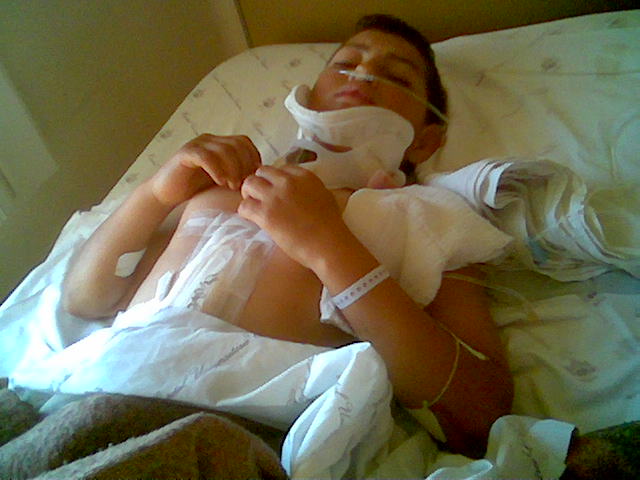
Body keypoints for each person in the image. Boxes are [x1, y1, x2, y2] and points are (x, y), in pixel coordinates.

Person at [62, 14, 513, 458]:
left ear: (425, 142)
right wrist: (155, 192)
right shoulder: (214, 184)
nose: (362, 74)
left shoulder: (425, 215)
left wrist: (330, 246)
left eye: (396, 75)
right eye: (345, 63)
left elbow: (480, 418)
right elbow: (86, 300)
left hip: (227, 442)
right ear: (310, 95)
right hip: (87, 403)